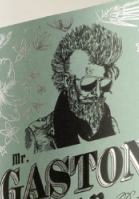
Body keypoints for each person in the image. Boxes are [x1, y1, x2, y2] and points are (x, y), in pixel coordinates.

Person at [26, 24, 122, 152]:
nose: (98, 93)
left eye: (104, 84)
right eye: (88, 84)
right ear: (67, 81)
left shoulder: (112, 125)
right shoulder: (36, 134)